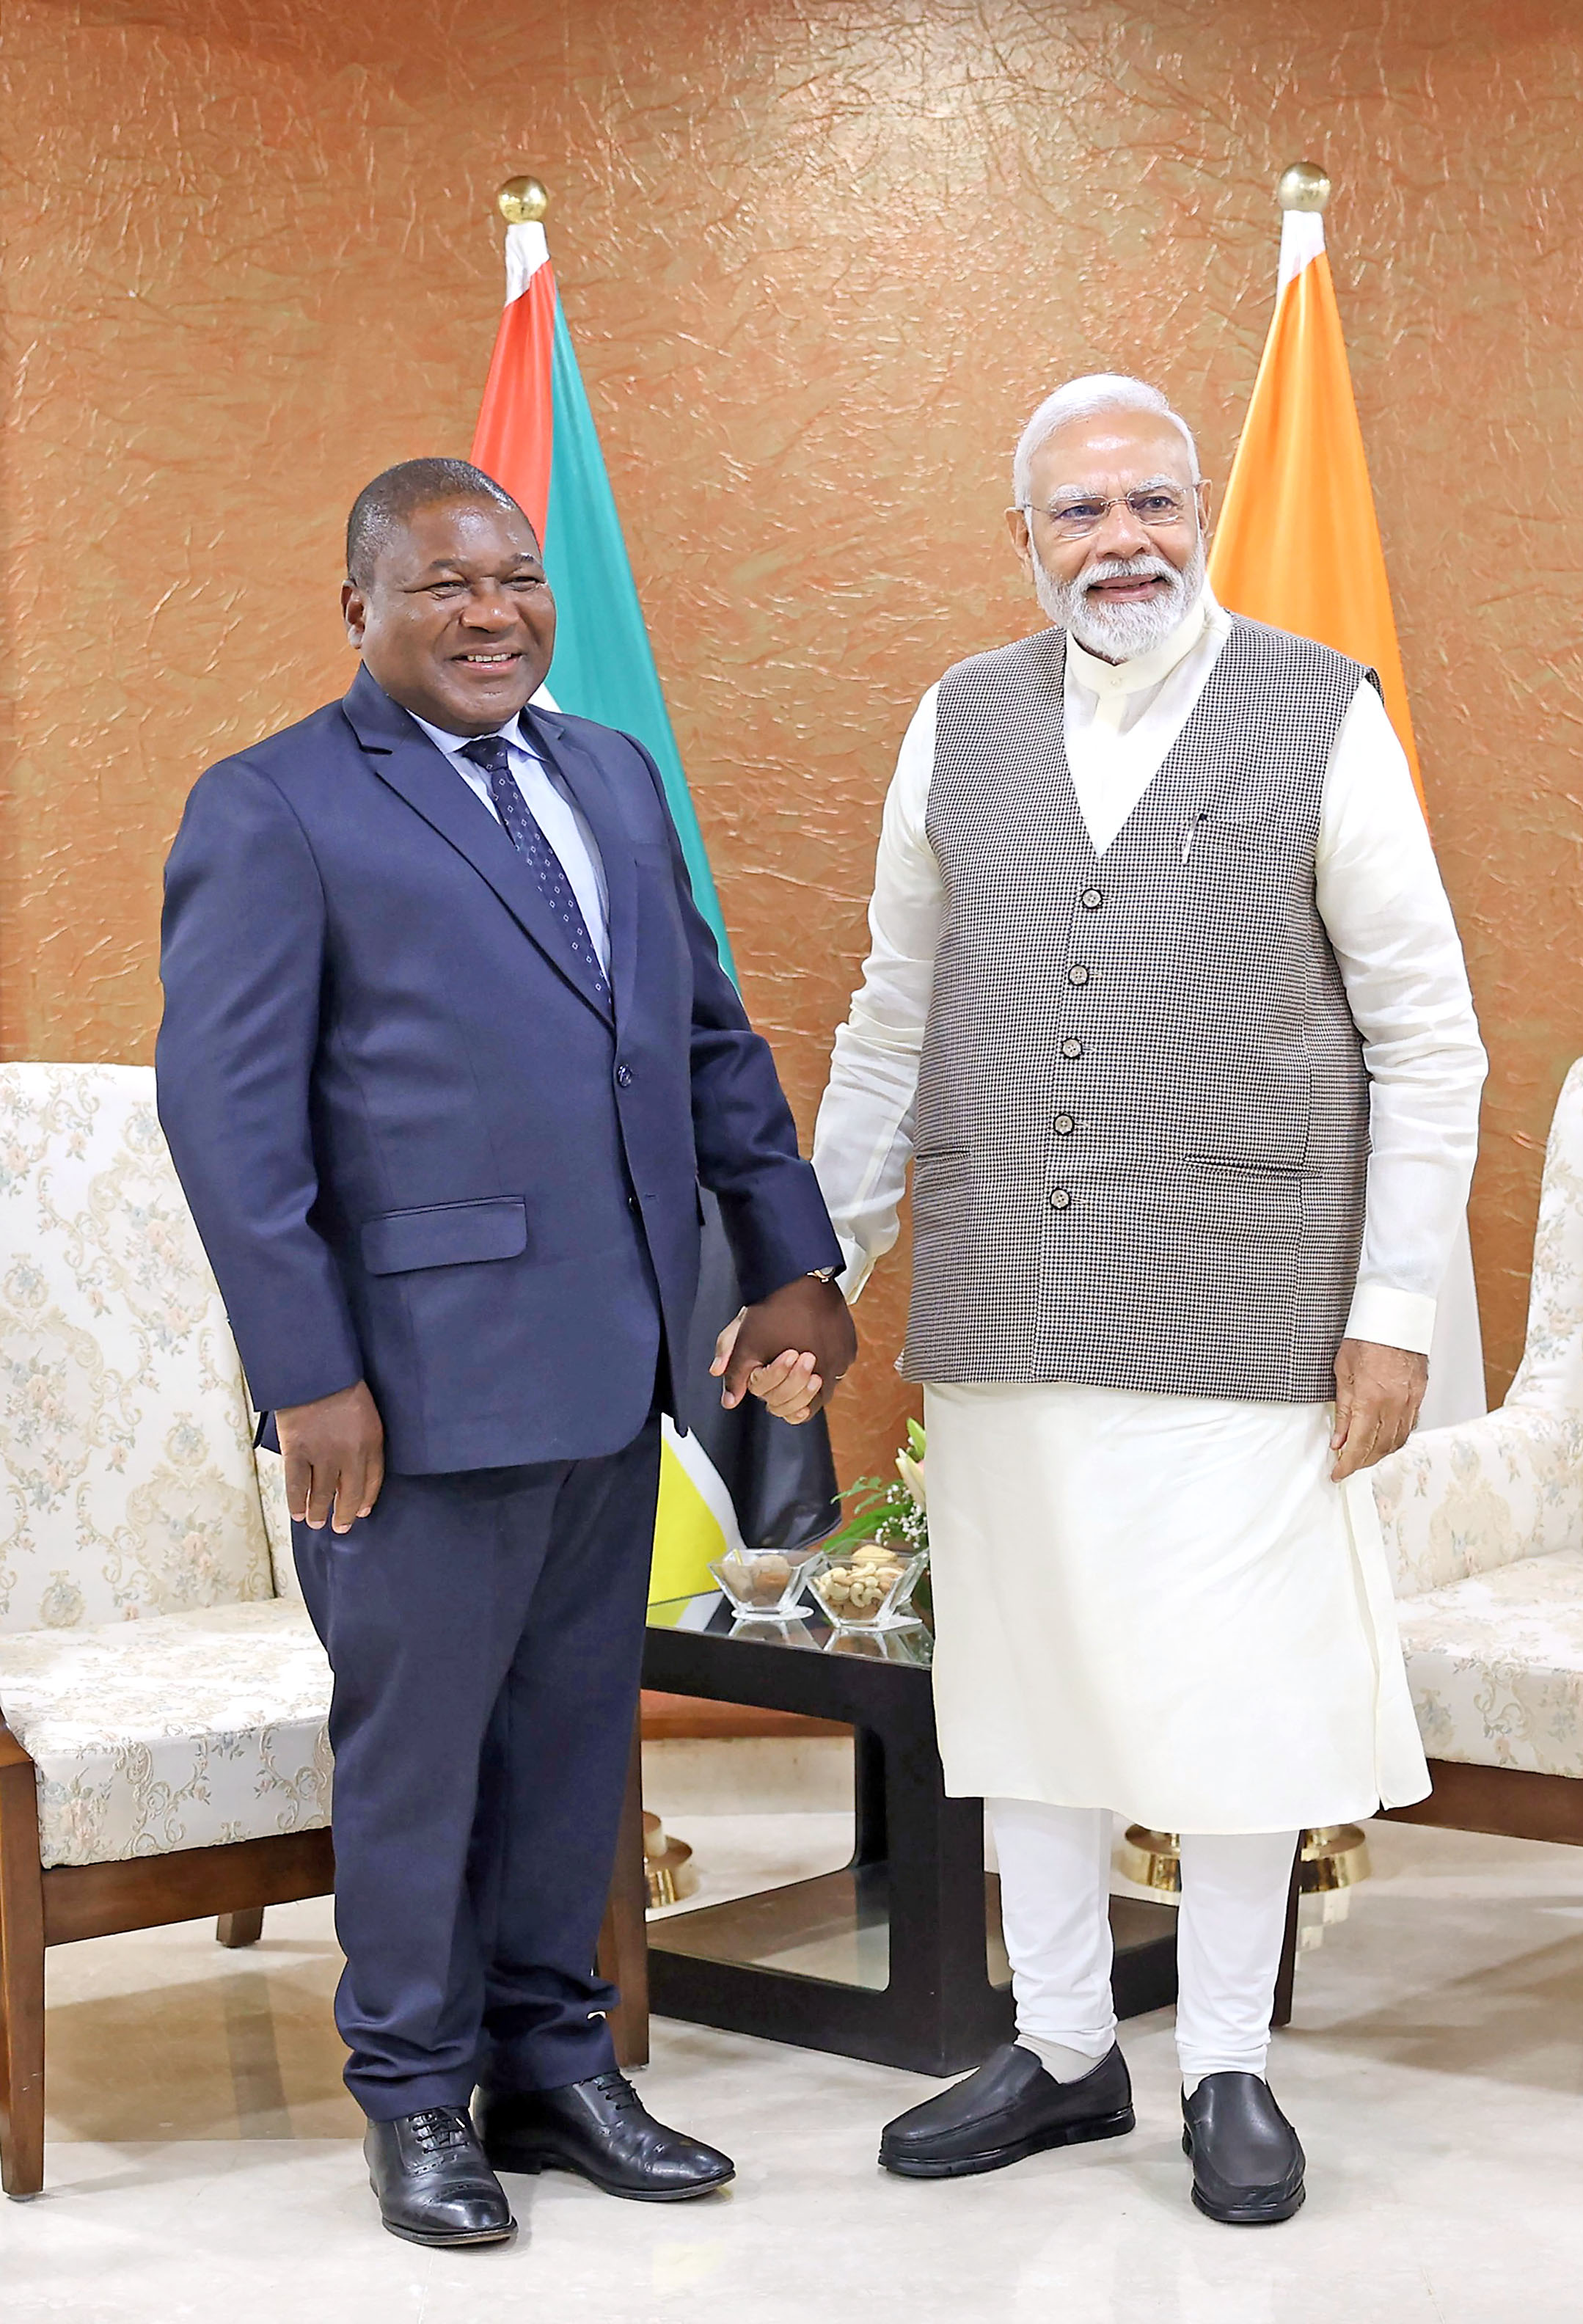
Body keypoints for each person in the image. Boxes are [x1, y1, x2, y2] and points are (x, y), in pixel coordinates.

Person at [738, 376, 1485, 2224]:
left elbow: (1424, 1031)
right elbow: (891, 1010)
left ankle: (1224, 2060)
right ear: (1024, 543)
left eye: (1151, 502)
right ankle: (1063, 2045)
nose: (1121, 542)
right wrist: (820, 1257)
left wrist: (1395, 1306)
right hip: (1004, 1300)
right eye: (1079, 515)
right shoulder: (958, 720)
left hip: (1245, 1305)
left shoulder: (1320, 711)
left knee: (1232, 1702)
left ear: (1200, 511)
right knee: (1030, 1687)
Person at [157, 458, 855, 2248]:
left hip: (608, 1361)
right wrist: (307, 1376)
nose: (492, 613)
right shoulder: (276, 808)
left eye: (515, 579)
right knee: (419, 1757)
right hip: (404, 1393)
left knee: (565, 1743)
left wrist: (784, 1256)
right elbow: (232, 1129)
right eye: (444, 585)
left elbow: (704, 1037)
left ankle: (556, 2070)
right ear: (359, 610)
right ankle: (413, 2095)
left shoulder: (607, 775)